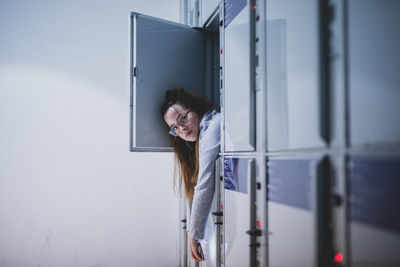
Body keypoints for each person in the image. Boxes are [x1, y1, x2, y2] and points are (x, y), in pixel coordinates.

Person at [161, 88, 221, 262]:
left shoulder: (214, 124)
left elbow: (205, 182)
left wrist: (194, 234)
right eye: (174, 128)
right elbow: (192, 188)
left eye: (182, 119)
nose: (182, 129)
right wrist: (191, 231)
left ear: (195, 109)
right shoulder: (199, 138)